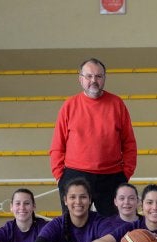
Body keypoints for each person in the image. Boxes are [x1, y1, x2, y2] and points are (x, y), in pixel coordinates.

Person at [49, 57, 137, 217]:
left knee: (113, 226)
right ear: (80, 79)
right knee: (73, 226)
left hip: (112, 176)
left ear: (104, 78)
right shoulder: (69, 105)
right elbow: (57, 144)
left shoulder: (117, 104)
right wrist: (59, 176)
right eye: (89, 76)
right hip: (74, 175)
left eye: (98, 76)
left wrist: (126, 173)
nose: (93, 80)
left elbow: (129, 143)